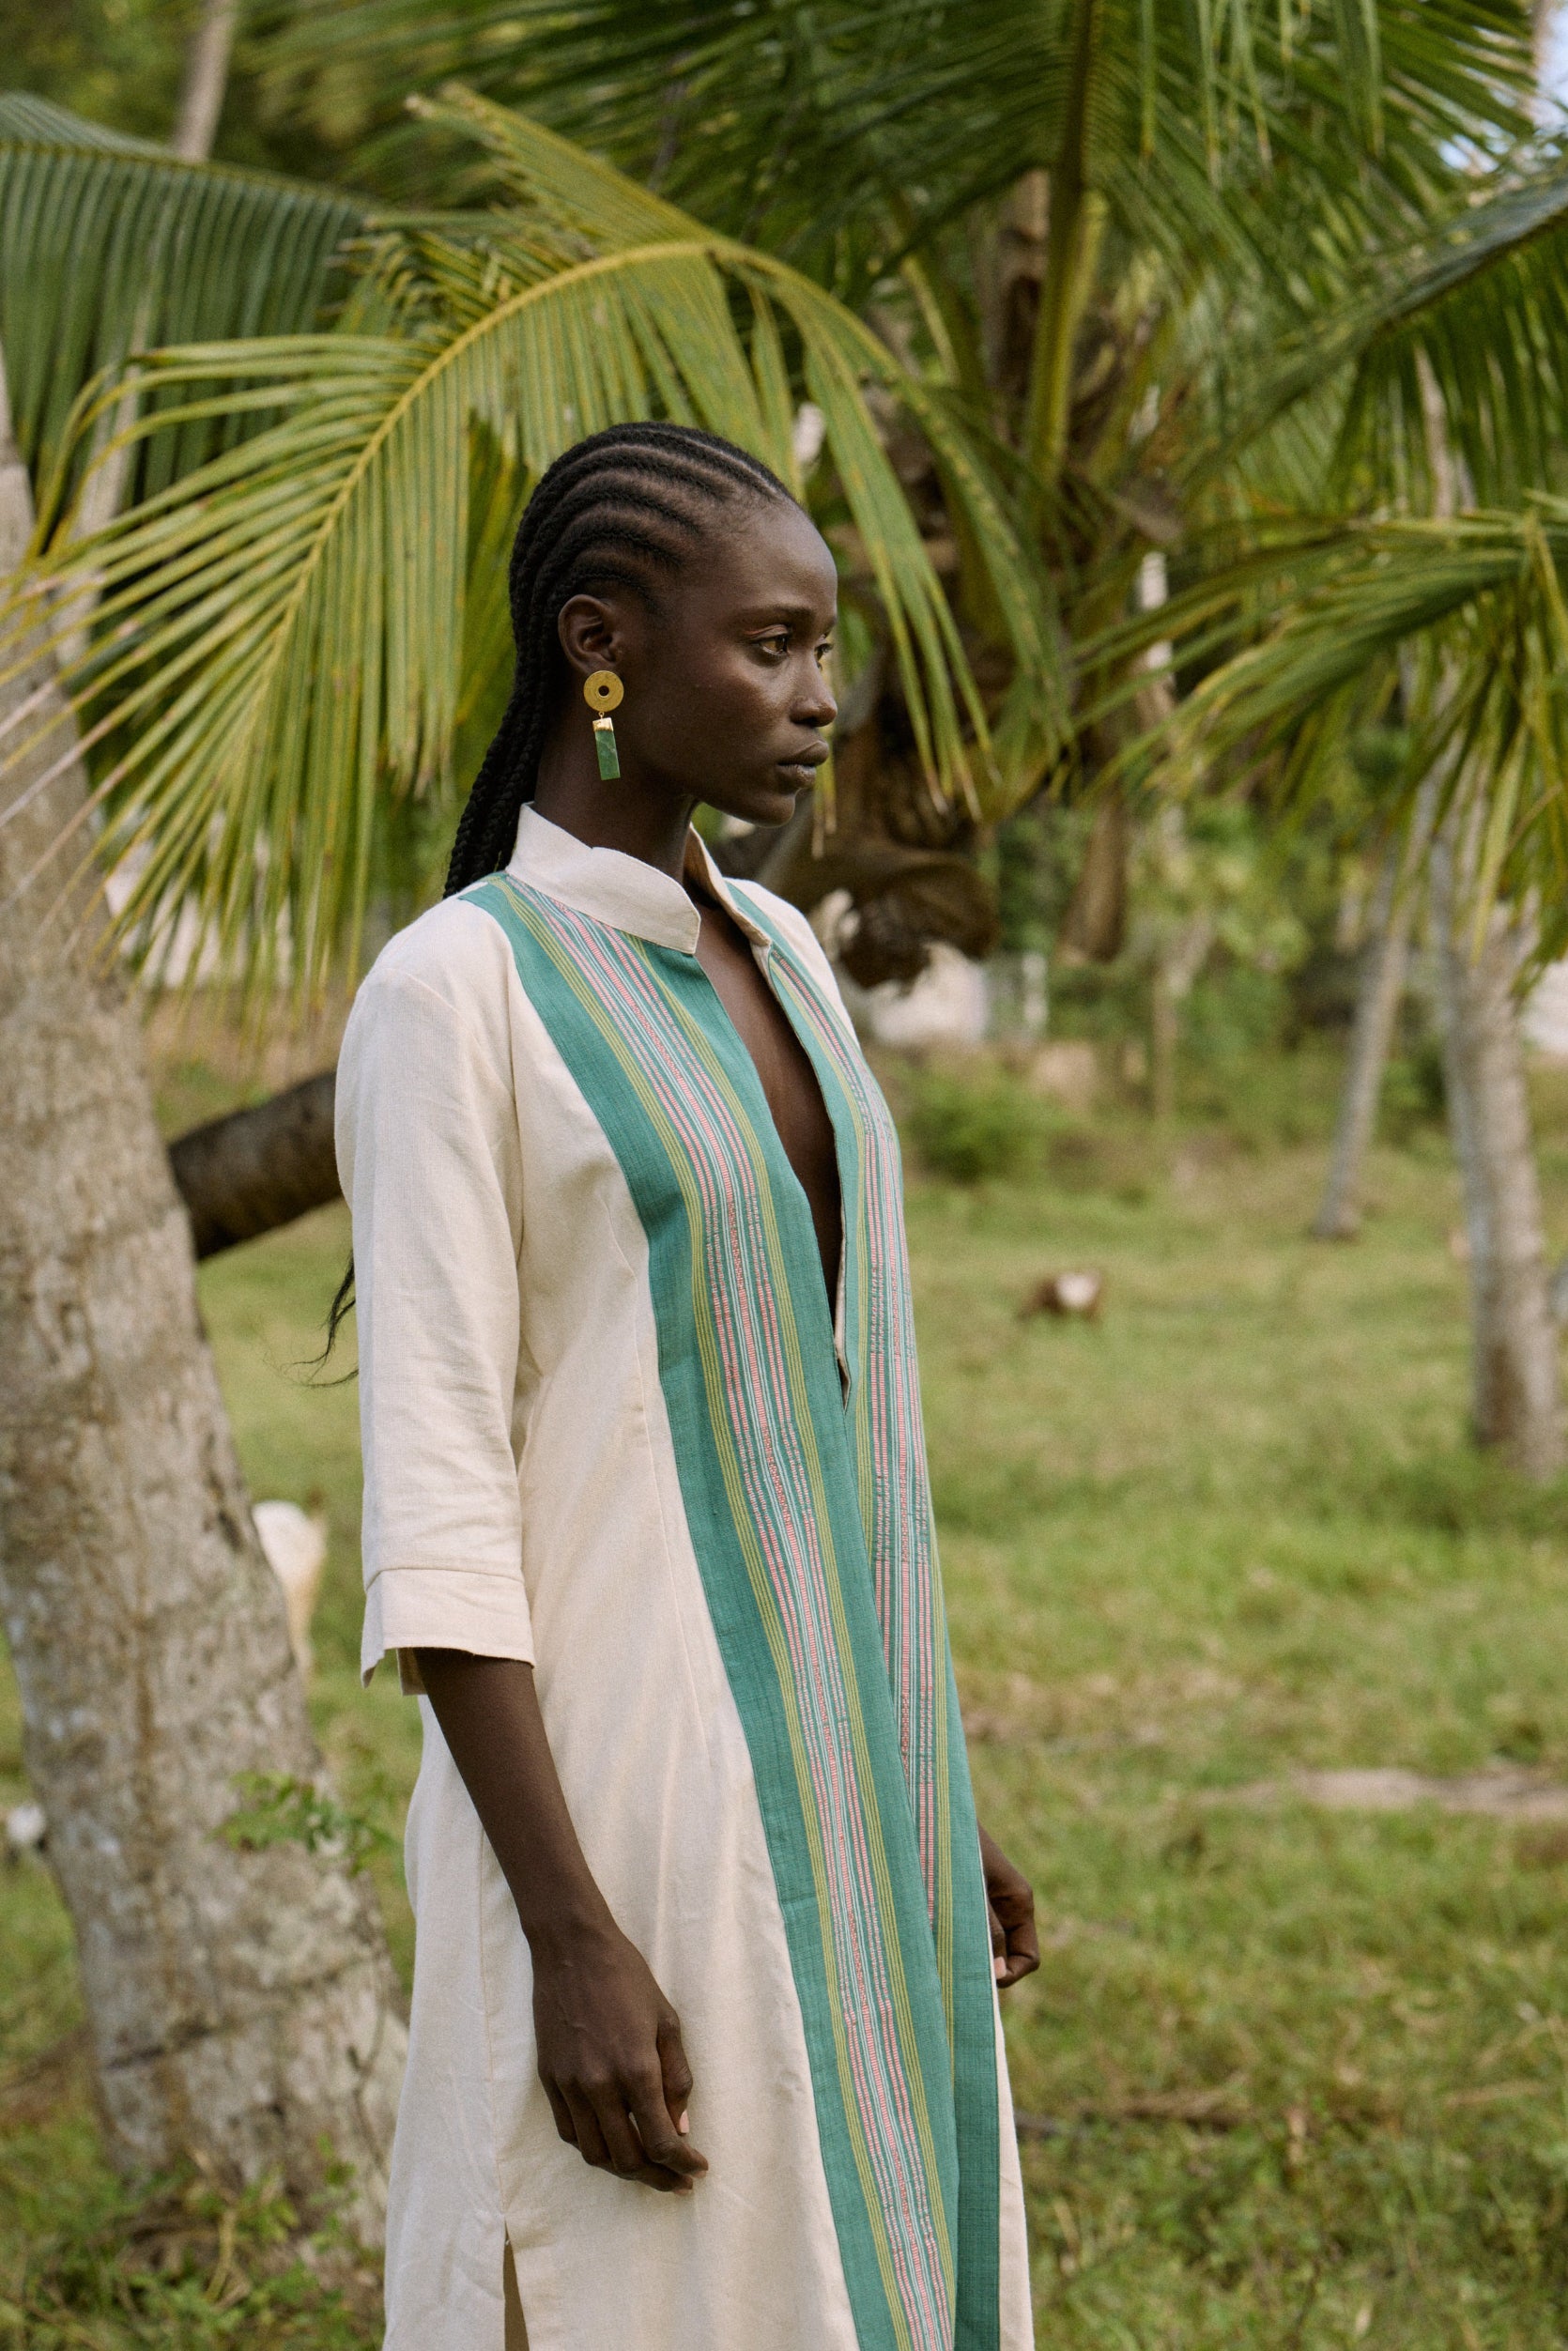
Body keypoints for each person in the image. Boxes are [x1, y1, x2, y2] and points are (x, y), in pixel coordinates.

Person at [336, 422, 1038, 2351]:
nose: (824, 700)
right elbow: (436, 1494)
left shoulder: (791, 956)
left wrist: (928, 1762)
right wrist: (567, 1928)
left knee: (872, 2274)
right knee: (664, 2286)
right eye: (776, 645)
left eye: (827, 648)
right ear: (603, 646)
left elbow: (828, 1419)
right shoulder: (451, 995)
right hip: (623, 1803)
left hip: (852, 1771)